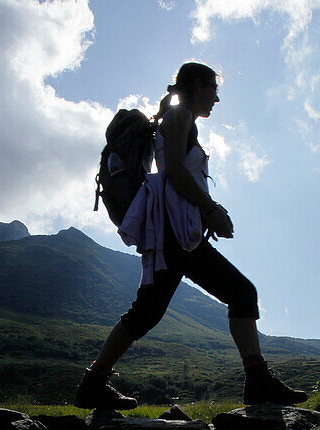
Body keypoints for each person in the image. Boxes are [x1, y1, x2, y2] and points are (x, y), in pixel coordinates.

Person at [75, 61, 306, 410]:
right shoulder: (180, 116)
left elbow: (176, 179)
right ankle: (258, 383)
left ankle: (93, 384)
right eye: (214, 90)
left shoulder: (176, 118)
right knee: (241, 293)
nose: (216, 99)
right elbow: (177, 176)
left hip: (173, 233)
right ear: (197, 86)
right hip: (175, 237)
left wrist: (200, 214)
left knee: (147, 312)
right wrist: (211, 209)